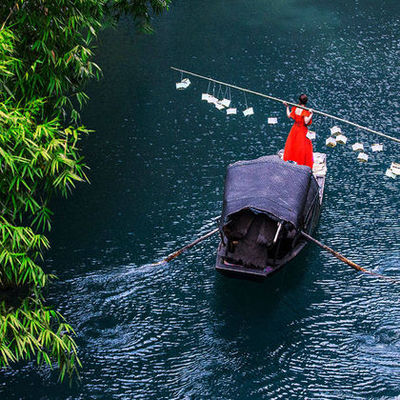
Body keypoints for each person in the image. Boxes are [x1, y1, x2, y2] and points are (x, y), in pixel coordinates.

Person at [282, 94, 314, 169]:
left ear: (299, 100)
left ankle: (292, 161)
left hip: (295, 129)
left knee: (293, 145)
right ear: (306, 102)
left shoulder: (296, 108)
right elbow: (306, 122)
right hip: (302, 130)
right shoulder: (305, 111)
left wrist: (287, 107)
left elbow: (289, 115)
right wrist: (311, 114)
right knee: (302, 147)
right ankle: (301, 163)